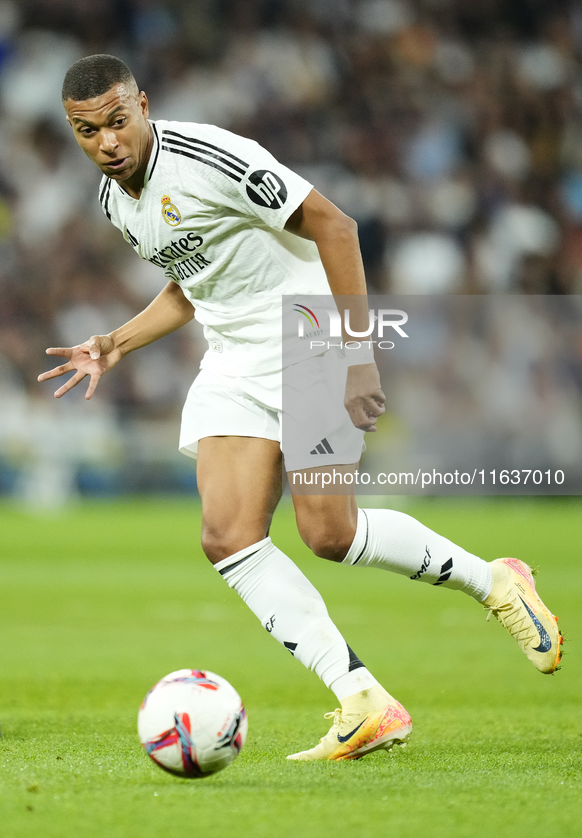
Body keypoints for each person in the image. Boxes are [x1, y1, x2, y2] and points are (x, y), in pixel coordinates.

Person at [39, 55, 562, 762]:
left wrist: (356, 353)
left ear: (142, 105)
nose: (106, 142)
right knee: (227, 535)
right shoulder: (113, 201)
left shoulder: (211, 157)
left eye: (116, 121)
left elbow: (335, 226)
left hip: (309, 332)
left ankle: (495, 581)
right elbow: (192, 282)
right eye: (85, 130)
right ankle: (362, 699)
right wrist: (115, 344)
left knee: (328, 532)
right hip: (231, 358)